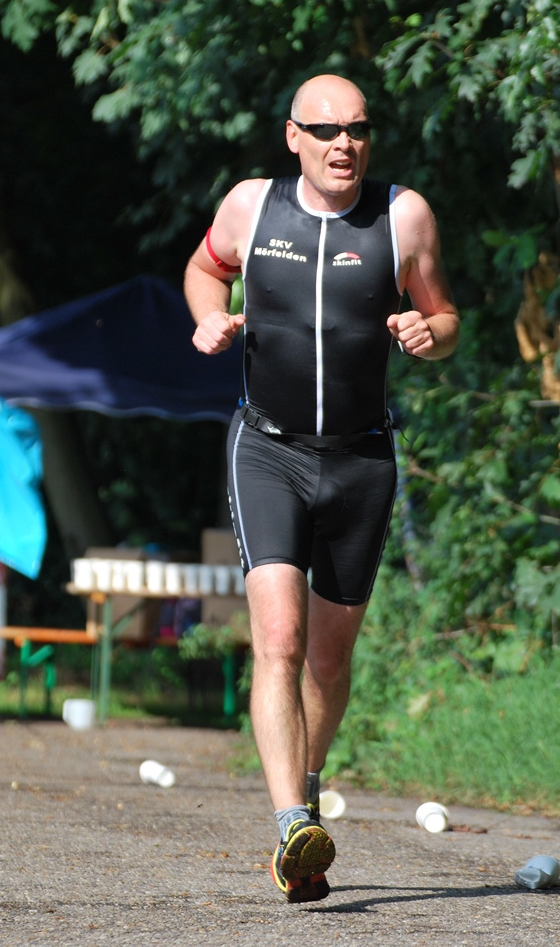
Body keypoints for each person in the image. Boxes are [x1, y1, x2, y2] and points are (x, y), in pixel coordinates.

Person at [184, 74, 459, 903]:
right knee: (279, 640)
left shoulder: (402, 216)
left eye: (358, 130)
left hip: (361, 460)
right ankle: (291, 825)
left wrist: (428, 332)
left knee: (329, 660)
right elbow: (203, 269)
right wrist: (208, 315)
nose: (345, 144)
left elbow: (445, 318)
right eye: (328, 130)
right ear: (292, 136)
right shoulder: (250, 206)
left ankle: (304, 789)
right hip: (266, 451)